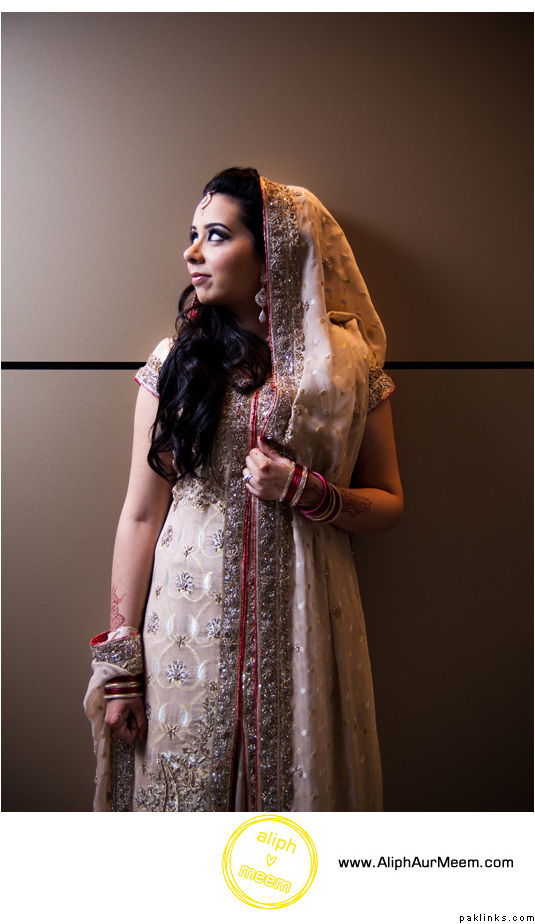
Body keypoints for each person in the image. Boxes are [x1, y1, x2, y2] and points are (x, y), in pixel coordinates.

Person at [84, 167, 403, 812]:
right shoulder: (175, 362)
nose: (192, 253)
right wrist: (121, 664)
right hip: (186, 630)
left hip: (307, 624)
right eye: (192, 235)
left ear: (272, 252)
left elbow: (389, 501)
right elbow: (140, 516)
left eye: (216, 235)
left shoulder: (347, 367)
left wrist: (307, 491)